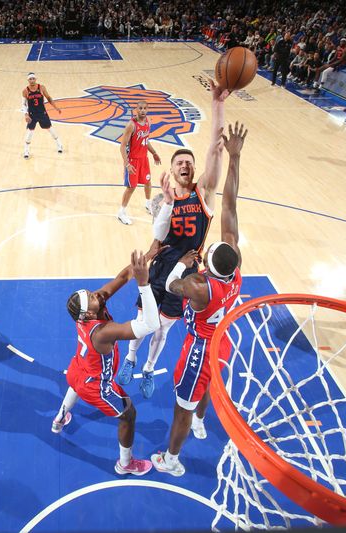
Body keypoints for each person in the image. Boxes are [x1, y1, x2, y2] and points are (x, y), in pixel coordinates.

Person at [117, 80, 228, 399]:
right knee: (141, 321)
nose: (185, 164)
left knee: (163, 328)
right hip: (161, 267)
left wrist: (217, 105)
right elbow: (157, 239)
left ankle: (149, 368)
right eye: (179, 161)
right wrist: (165, 204)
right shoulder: (161, 202)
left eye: (189, 163)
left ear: (194, 171)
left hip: (186, 275)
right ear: (172, 169)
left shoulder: (203, 194)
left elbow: (215, 149)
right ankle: (131, 358)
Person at [151, 122, 246, 476]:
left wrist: (181, 266)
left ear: (210, 263)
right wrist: (234, 159)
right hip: (224, 341)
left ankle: (171, 459)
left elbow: (175, 286)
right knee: (207, 387)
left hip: (200, 348)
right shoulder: (235, 271)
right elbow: (231, 209)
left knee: (182, 408)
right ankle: (203, 420)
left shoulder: (200, 288)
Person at [51, 250, 159, 475]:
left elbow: (121, 278)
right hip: (96, 385)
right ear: (88, 315)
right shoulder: (102, 332)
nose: (97, 295)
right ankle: (125, 464)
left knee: (74, 385)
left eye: (92, 293)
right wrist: (144, 284)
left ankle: (60, 418)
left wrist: (147, 256)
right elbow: (150, 325)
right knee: (129, 414)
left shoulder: (88, 311)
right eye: (92, 298)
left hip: (78, 369)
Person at [117, 100, 161, 225]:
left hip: (144, 159)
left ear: (148, 109)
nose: (142, 110)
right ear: (136, 110)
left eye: (145, 108)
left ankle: (148, 204)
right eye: (140, 108)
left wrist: (154, 153)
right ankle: (121, 212)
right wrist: (127, 164)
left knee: (147, 182)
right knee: (131, 187)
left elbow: (146, 140)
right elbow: (122, 146)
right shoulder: (131, 125)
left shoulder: (148, 122)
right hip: (133, 160)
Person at [22, 72, 62, 159]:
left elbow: (49, 98)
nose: (32, 80)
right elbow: (23, 104)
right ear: (28, 80)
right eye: (30, 79)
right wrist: (25, 114)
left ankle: (59, 143)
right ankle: (26, 150)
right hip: (32, 114)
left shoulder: (41, 87)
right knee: (30, 132)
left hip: (42, 113)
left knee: (50, 129)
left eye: (33, 78)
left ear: (35, 79)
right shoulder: (25, 91)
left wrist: (56, 107)